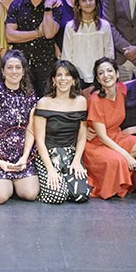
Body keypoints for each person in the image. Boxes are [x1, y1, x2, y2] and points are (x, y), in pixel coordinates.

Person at [0, 50, 40, 204]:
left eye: (18, 68)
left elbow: (31, 130)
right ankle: (2, 183)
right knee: (1, 197)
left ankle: (15, 183)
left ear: (24, 71)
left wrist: (25, 158)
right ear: (3, 71)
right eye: (10, 68)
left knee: (30, 194)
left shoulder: (30, 95)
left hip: (21, 156)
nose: (14, 71)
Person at [82, 57, 136, 199]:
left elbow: (135, 83)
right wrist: (127, 157)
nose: (106, 75)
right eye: (101, 73)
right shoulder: (96, 99)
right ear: (97, 78)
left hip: (115, 135)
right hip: (96, 142)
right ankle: (112, 184)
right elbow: (102, 137)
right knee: (119, 160)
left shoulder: (121, 88)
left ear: (117, 74)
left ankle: (120, 180)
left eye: (110, 71)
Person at [33, 61, 91, 204]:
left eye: (67, 75)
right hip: (48, 154)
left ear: (73, 80)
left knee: (81, 195)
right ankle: (45, 184)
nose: (63, 79)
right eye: (59, 75)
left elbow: (82, 135)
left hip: (70, 154)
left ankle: (64, 182)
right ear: (53, 80)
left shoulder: (81, 101)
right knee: (57, 196)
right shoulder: (44, 102)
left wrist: (77, 160)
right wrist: (50, 169)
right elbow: (39, 140)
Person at [6, 0, 63, 94]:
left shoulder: (55, 6)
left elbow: (49, 33)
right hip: (21, 68)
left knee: (44, 107)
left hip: (46, 68)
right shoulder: (16, 5)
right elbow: (10, 36)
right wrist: (38, 32)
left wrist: (47, 8)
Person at [62, 0, 113, 84]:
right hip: (77, 77)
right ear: (78, 5)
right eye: (83, 0)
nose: (88, 3)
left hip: (100, 77)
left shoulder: (104, 25)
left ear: (96, 2)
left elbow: (109, 54)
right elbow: (67, 56)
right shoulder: (70, 26)